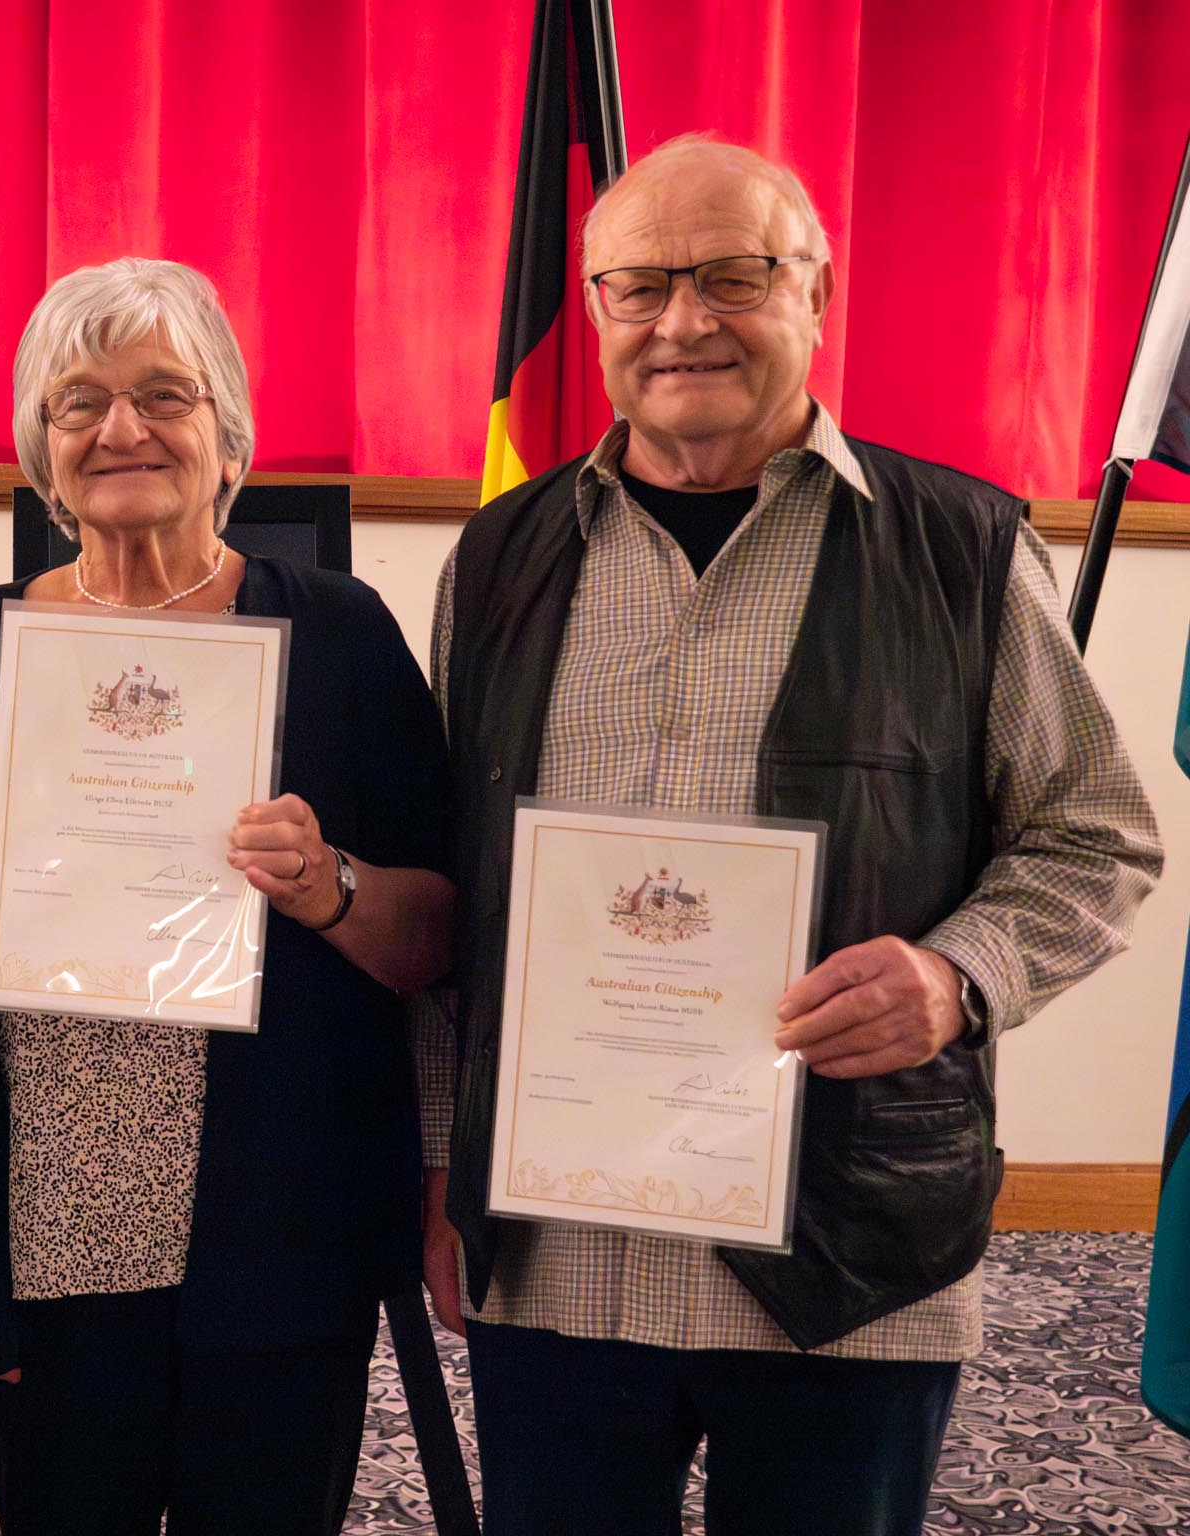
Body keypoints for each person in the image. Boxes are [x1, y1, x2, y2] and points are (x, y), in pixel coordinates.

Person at [416, 134, 1165, 1534]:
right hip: (560, 1239)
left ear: (815, 292)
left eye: (733, 276)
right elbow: (458, 889)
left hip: (851, 1251)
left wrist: (955, 976)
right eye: (640, 286)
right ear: (594, 308)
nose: (681, 322)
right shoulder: (500, 558)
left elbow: (1093, 837)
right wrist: (436, 1152)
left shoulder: (960, 550)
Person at [0, 257, 454, 1535]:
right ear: (39, 443)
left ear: (226, 432)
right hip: (47, 1223)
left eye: (161, 393)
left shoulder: (340, 634)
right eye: (77, 401)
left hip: (281, 1222)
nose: (119, 428)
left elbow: (440, 935)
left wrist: (330, 888)